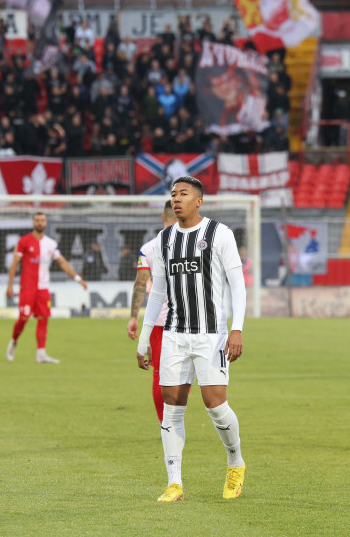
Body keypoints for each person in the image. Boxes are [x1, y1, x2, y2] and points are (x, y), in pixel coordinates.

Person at [135, 176, 247, 502]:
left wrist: (237, 328)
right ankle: (174, 483)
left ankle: (234, 461)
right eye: (173, 194)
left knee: (215, 404)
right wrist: (144, 339)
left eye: (183, 193)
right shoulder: (164, 239)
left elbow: (237, 285)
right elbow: (157, 292)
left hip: (211, 333)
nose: (177, 199)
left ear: (199, 201)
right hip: (174, 333)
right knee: (172, 404)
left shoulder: (219, 233)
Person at [5, 212, 88, 364]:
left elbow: (62, 262)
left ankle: (41, 354)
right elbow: (15, 263)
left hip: (43, 288)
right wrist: (10, 285)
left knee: (43, 318)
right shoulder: (24, 241)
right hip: (27, 287)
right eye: (37, 220)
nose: (40, 223)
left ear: (46, 223)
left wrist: (78, 279)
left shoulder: (51, 244)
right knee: (24, 318)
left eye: (42, 220)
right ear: (33, 223)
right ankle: (14, 340)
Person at [126, 200, 178, 423]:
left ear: (161, 217)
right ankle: (174, 420)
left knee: (159, 373)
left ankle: (165, 423)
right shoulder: (192, 245)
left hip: (159, 321)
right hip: (190, 320)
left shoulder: (148, 248)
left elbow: (140, 283)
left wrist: (133, 317)